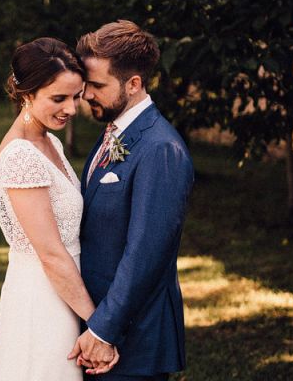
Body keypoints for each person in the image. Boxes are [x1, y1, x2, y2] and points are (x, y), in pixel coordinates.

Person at [0, 37, 120, 381]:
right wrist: (98, 324)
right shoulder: (20, 156)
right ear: (26, 95)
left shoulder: (49, 141)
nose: (72, 109)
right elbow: (51, 254)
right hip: (42, 299)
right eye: (58, 98)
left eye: (75, 96)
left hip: (65, 292)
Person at [69, 21, 194, 380]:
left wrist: (102, 330)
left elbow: (146, 254)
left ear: (134, 84)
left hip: (132, 339)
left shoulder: (160, 149)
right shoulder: (114, 131)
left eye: (97, 85)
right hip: (99, 326)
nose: (86, 95)